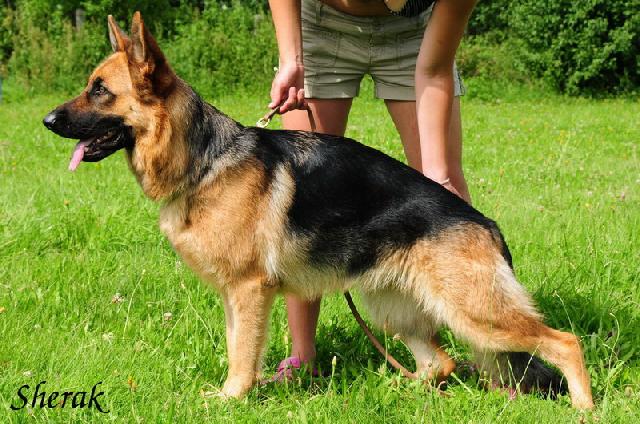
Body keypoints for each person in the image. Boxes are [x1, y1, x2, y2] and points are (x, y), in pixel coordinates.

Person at [266, 0, 477, 379]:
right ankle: (302, 354)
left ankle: (490, 351)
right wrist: (290, 59)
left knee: (446, 192)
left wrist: (438, 176)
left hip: (414, 35)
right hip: (320, 28)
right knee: (305, 194)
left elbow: (434, 70)